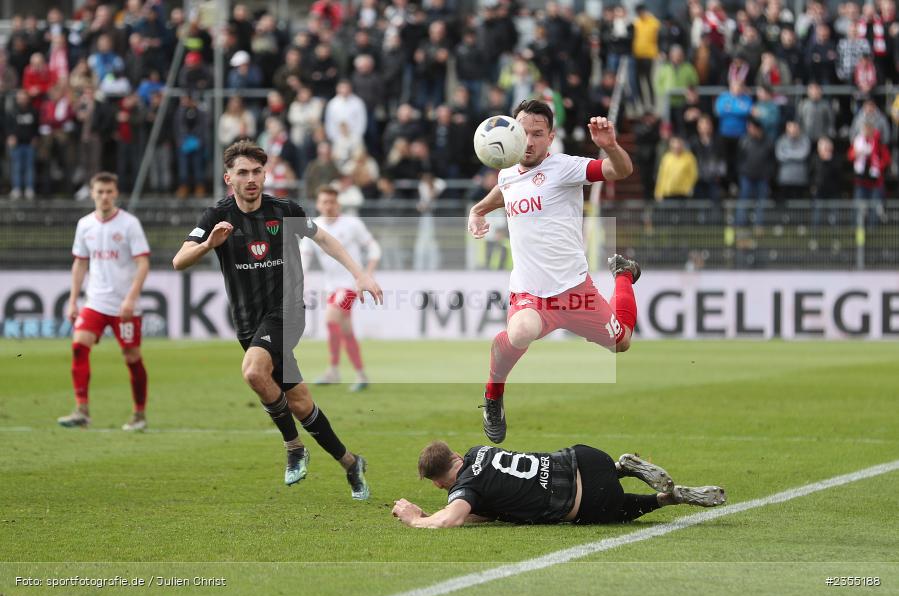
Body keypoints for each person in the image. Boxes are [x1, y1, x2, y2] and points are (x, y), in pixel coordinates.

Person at [172, 141, 382, 497]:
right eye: (243, 172)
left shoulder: (284, 210)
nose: (251, 179)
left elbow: (325, 239)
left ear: (265, 174)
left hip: (287, 312)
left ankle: (294, 448)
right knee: (299, 403)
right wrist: (209, 244)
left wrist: (359, 274)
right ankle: (351, 462)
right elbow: (179, 260)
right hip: (248, 323)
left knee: (254, 371)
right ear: (229, 178)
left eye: (257, 172)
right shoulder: (216, 218)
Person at [467, 100, 637, 443]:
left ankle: (623, 274)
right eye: (523, 132)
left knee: (622, 344)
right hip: (530, 292)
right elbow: (504, 190)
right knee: (521, 332)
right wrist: (478, 210)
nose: (528, 141)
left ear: (551, 138)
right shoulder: (506, 171)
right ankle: (493, 396)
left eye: (537, 134)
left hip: (576, 292)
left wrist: (611, 147)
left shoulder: (566, 168)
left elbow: (620, 171)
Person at [392, 441, 726, 527]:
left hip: (587, 500)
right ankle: (622, 466)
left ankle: (669, 500)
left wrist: (417, 519)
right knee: (597, 476)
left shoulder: (465, 489)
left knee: (617, 510)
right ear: (454, 453)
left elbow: (455, 517)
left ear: (439, 484)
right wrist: (444, 510)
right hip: (585, 457)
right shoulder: (479, 452)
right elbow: (485, 509)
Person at [58, 172, 150, 431]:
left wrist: (131, 299)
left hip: (125, 306)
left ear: (116, 193)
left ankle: (139, 414)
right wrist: (73, 300)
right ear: (92, 194)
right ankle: (81, 410)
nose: (105, 196)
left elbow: (143, 263)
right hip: (95, 302)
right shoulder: (85, 225)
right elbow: (80, 263)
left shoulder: (129, 224)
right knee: (78, 346)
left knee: (132, 357)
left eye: (109, 191)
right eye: (100, 192)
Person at [302, 186, 381, 391]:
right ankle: (361, 375)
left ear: (338, 203)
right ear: (318, 204)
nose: (329, 206)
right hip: (331, 287)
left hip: (350, 286)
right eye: (325, 202)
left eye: (332, 202)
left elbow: (374, 249)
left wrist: (366, 275)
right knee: (346, 331)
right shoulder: (313, 226)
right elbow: (304, 257)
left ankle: (333, 370)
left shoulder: (352, 224)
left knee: (330, 319)